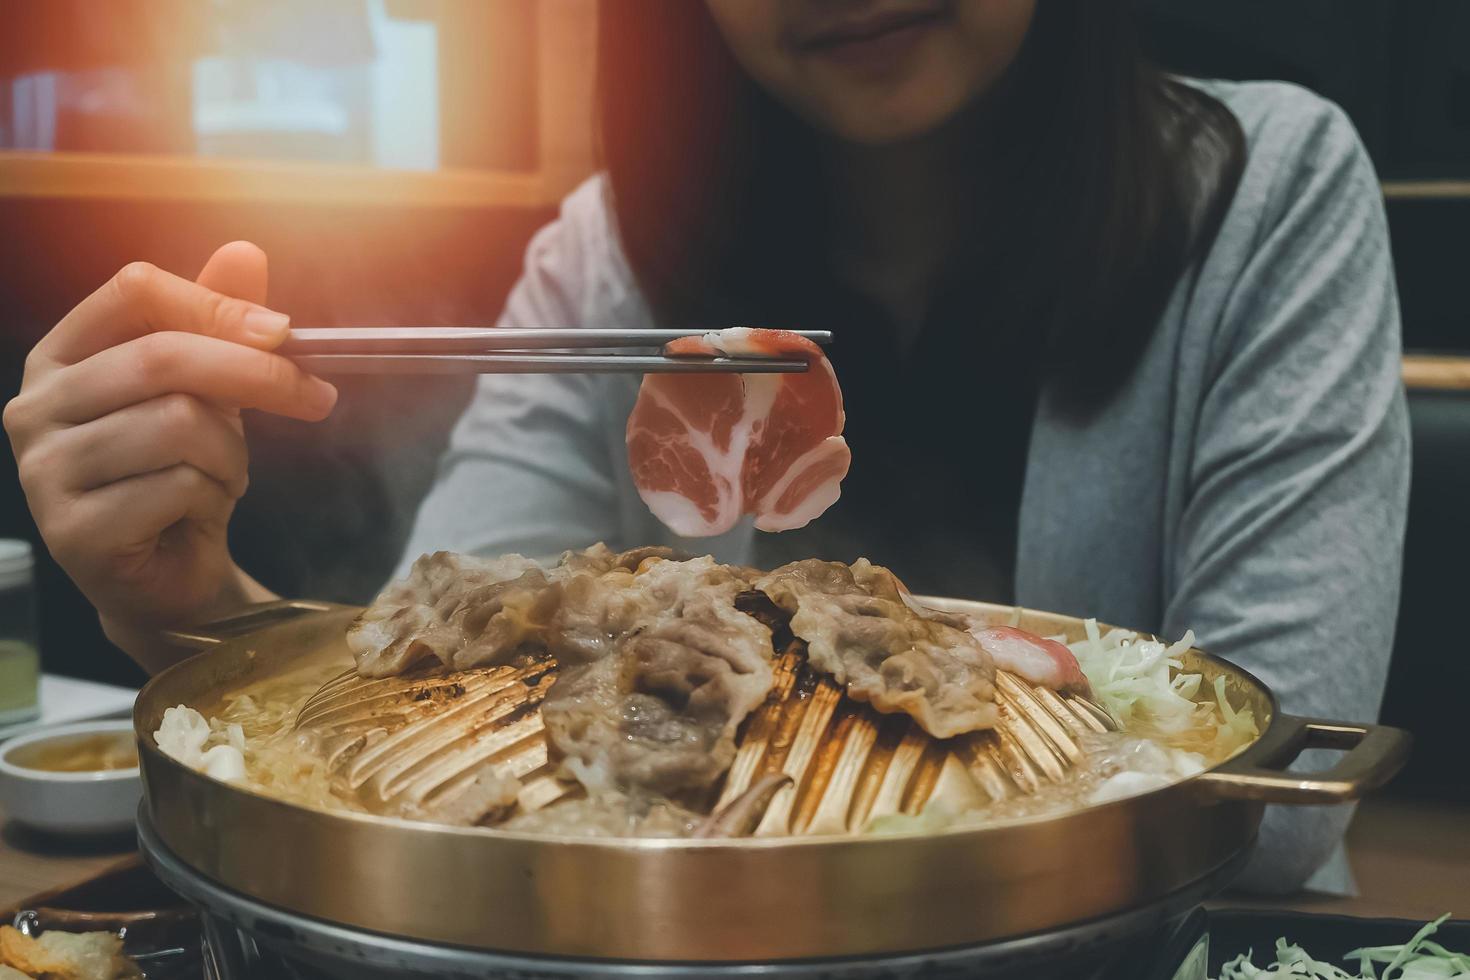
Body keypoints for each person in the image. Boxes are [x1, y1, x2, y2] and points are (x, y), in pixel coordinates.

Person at [3, 1, 1408, 895]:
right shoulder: (612, 247)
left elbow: (1269, 810)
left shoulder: (1263, 191)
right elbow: (436, 675)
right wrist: (201, 616)